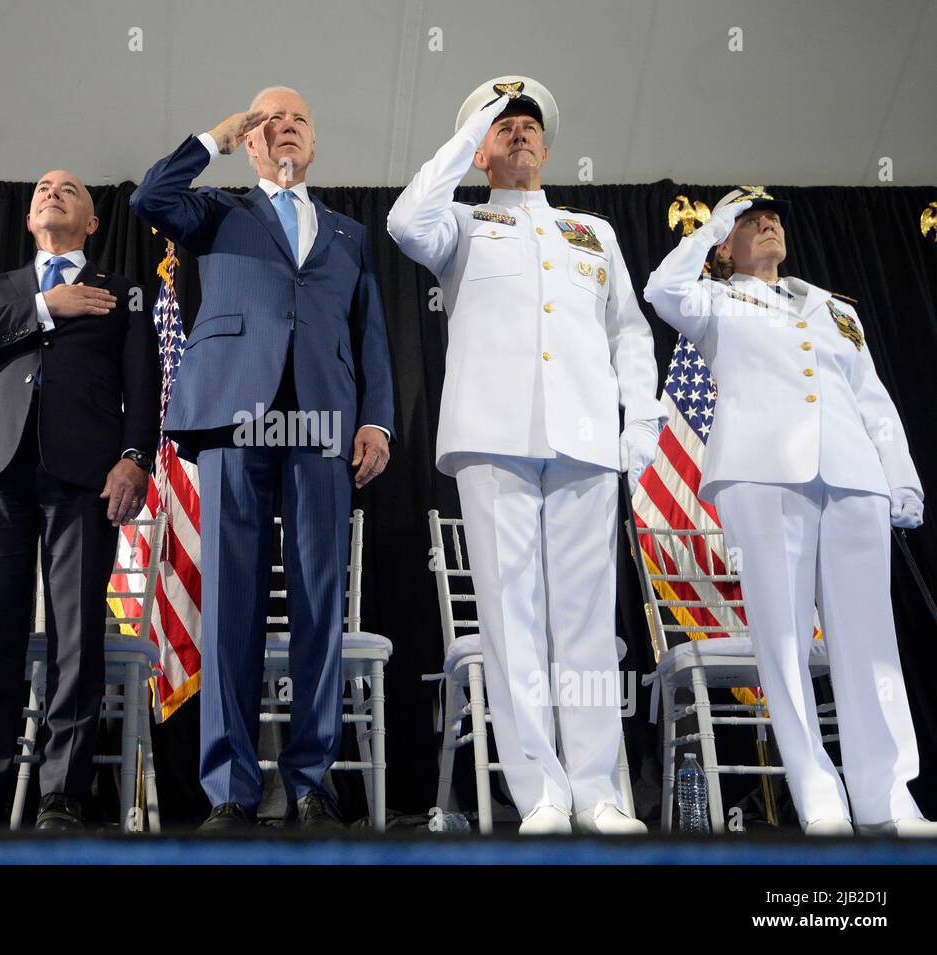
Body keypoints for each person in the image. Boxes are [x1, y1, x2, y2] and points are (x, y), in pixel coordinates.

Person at [387, 76, 664, 835]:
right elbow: (404, 220)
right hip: (494, 435)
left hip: (583, 437)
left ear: (548, 143)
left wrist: (639, 423)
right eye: (502, 125)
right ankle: (539, 790)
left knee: (583, 622)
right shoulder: (463, 223)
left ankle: (597, 790)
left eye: (528, 123)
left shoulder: (592, 232)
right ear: (479, 145)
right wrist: (464, 132)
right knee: (511, 616)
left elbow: (630, 333)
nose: (518, 132)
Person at [130, 86, 395, 830]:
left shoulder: (348, 234)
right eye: (268, 121)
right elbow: (151, 198)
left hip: (322, 424)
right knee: (231, 610)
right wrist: (208, 140)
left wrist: (376, 420)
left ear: (313, 144)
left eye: (298, 120)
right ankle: (231, 789)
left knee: (319, 603)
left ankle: (311, 781)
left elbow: (370, 332)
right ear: (250, 142)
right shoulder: (219, 212)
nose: (284, 129)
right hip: (232, 415)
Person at [643, 188, 936, 837]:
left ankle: (888, 796)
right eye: (750, 220)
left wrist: (900, 474)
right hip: (763, 473)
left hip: (853, 473)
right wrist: (714, 224)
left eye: (771, 216)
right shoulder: (713, 298)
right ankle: (818, 792)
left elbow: (873, 396)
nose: (767, 222)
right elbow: (662, 289)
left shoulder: (832, 306)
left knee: (870, 643)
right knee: (783, 643)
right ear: (726, 243)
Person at [0, 170, 160, 831]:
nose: (51, 190)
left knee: (78, 632)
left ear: (92, 222)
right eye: (41, 188)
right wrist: (45, 307)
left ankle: (62, 792)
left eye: (68, 187)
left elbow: (144, 386)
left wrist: (134, 459)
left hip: (86, 475)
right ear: (31, 219)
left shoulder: (123, 292)